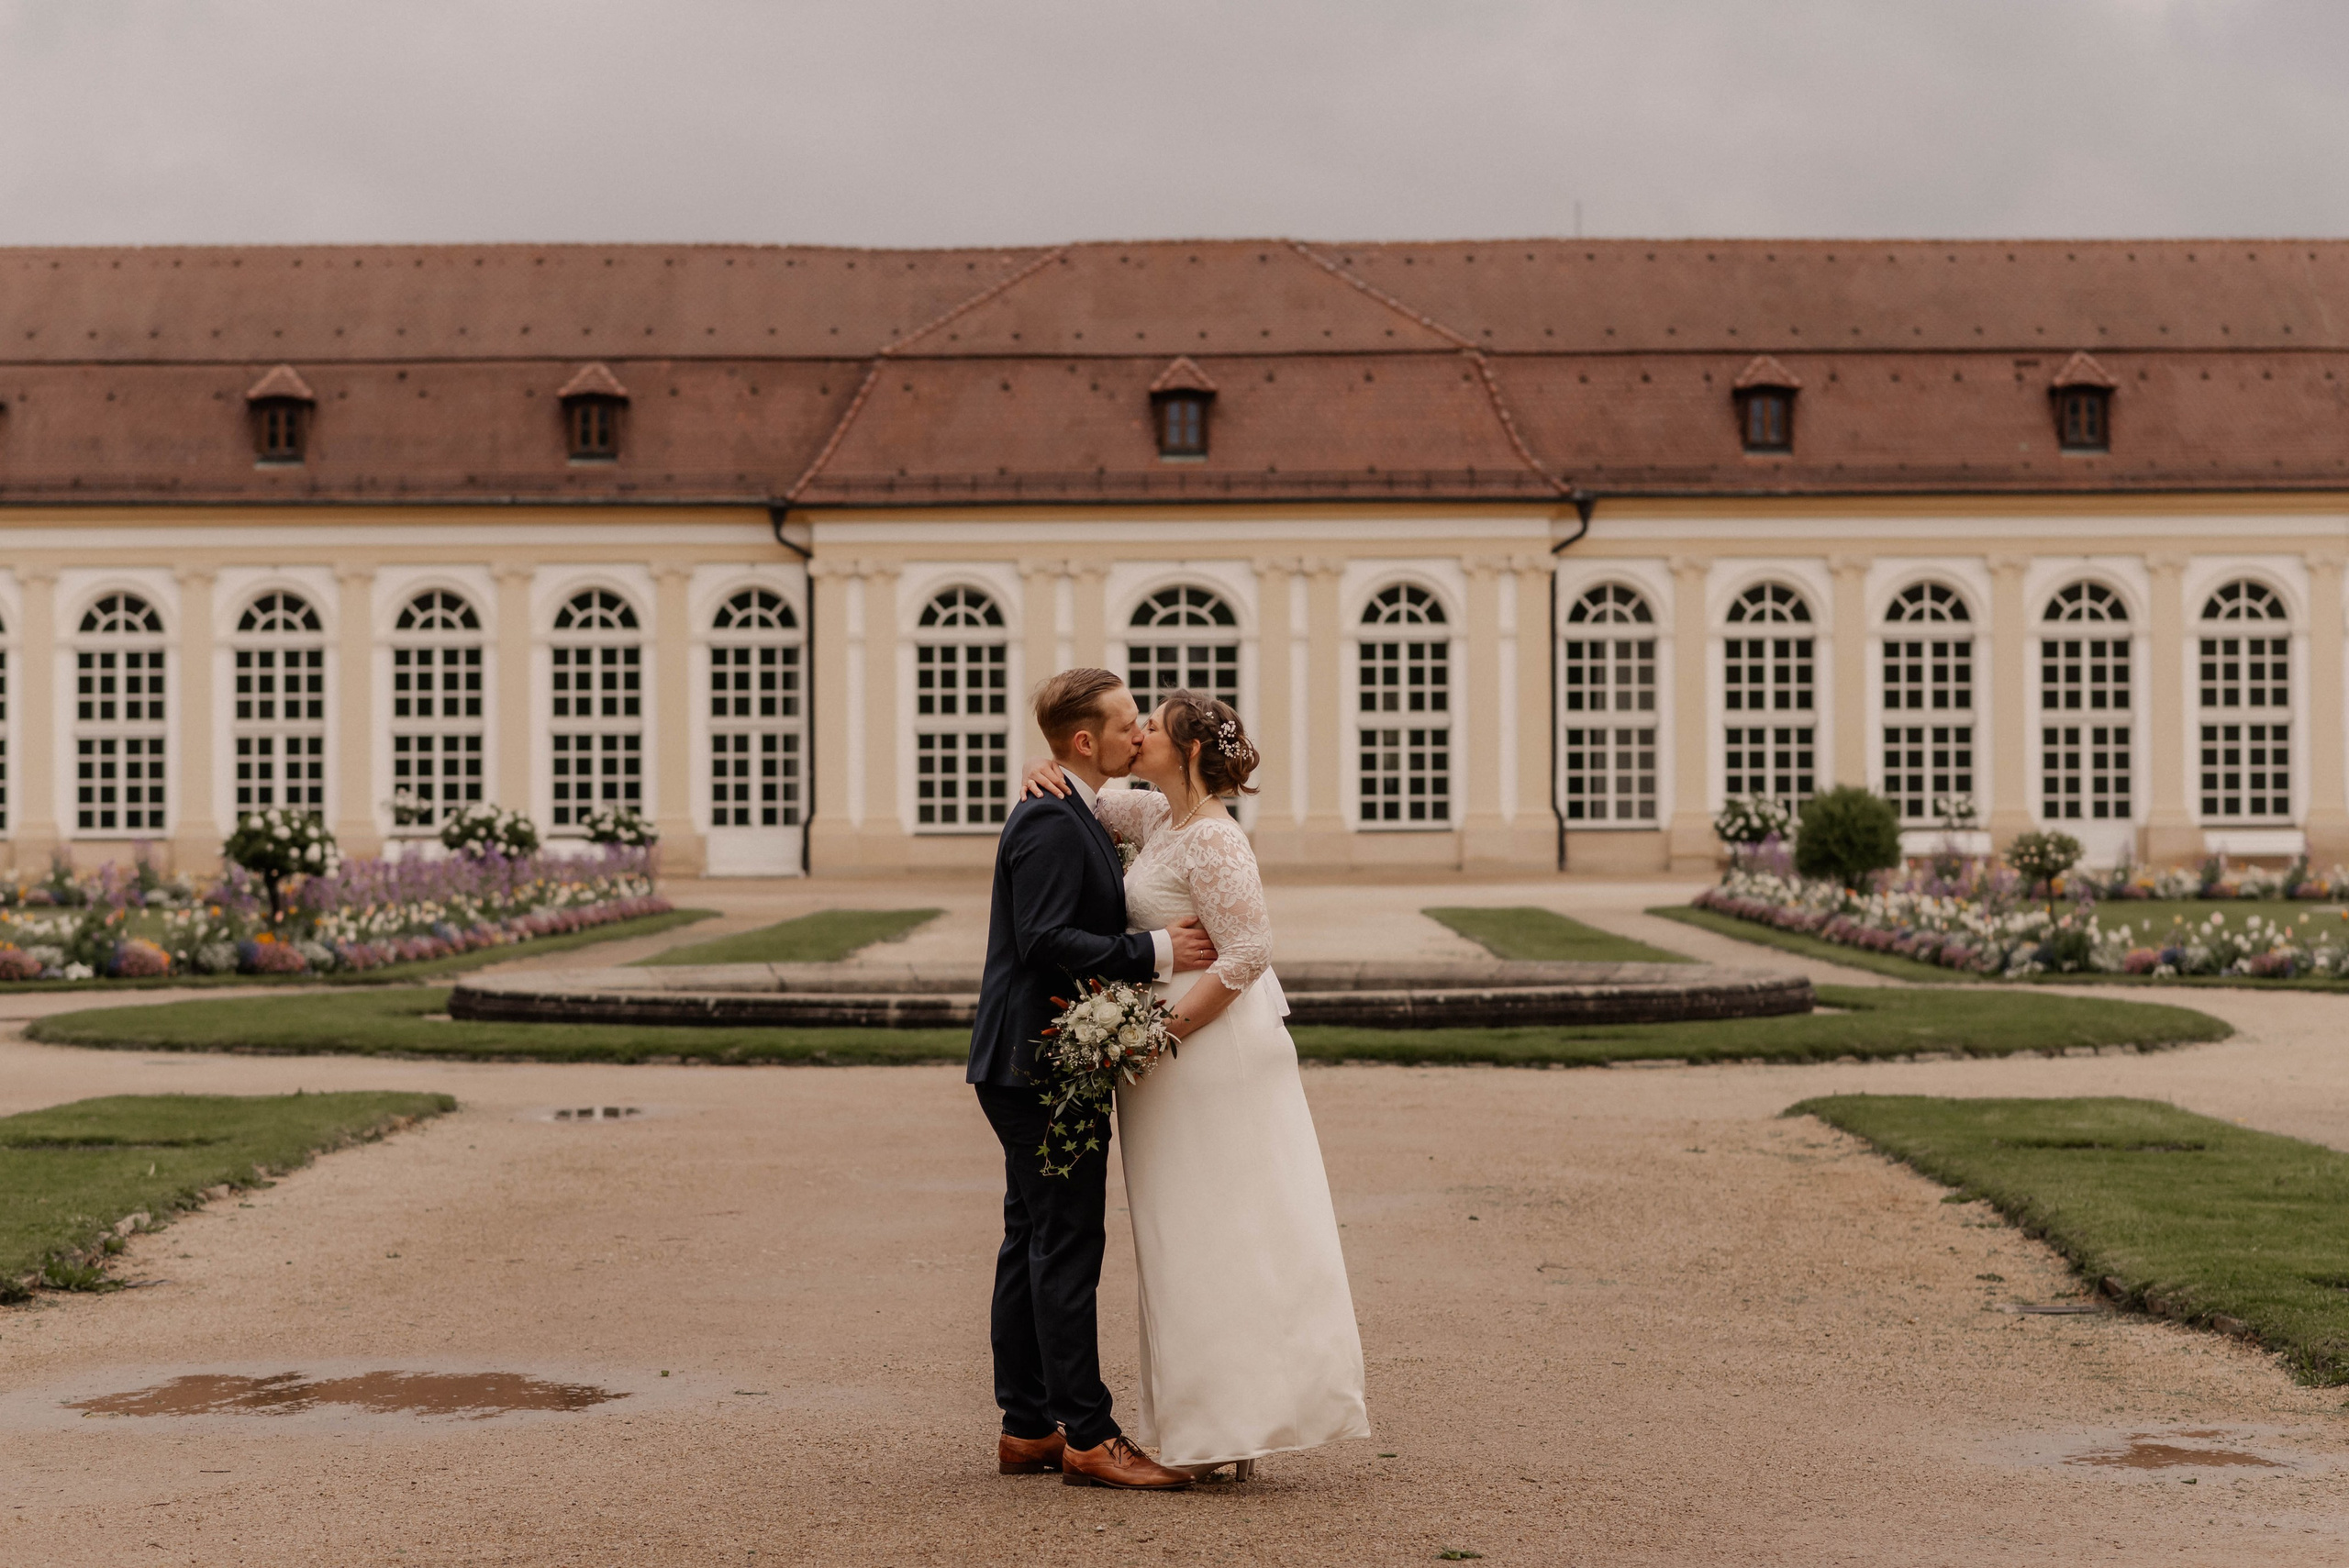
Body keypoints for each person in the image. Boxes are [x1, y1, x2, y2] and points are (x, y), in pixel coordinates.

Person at [1022, 689, 1370, 1479]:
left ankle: (1236, 1422)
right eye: (1134, 723)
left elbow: (1248, 952)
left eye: (1153, 726)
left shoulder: (1214, 839)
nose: (1137, 732)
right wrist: (1041, 763)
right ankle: (1204, 1422)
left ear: (1184, 752)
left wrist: (1160, 1034)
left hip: (1208, 1059)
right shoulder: (1154, 817)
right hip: (1162, 1068)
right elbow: (1085, 786)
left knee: (1226, 1228)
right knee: (1176, 1235)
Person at [968, 668, 1218, 1492]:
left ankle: (1028, 1424)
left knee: (1032, 1237)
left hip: (1034, 1058)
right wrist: (1154, 952)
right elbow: (1042, 940)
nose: (1139, 730)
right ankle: (1090, 1435)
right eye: (1125, 722)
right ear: (1085, 742)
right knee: (1067, 1242)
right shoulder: (1049, 818)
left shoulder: (1074, 805)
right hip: (1037, 1063)